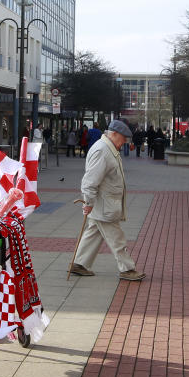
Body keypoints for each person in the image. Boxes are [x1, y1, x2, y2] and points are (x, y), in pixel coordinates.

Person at [70, 120, 145, 281]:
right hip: (104, 205)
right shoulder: (103, 150)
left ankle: (80, 264)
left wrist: (90, 203)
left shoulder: (107, 148)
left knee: (93, 232)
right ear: (114, 134)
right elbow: (90, 181)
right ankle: (127, 269)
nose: (124, 141)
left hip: (104, 204)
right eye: (123, 138)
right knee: (116, 238)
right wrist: (88, 202)